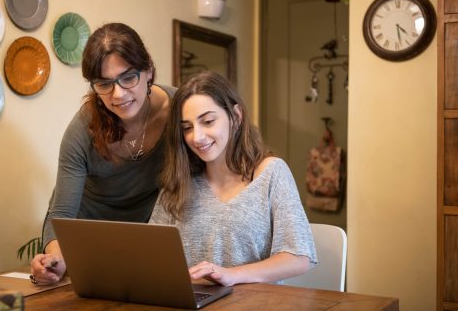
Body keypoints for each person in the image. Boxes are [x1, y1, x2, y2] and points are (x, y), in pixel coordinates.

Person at [30, 23, 176, 285]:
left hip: (148, 238)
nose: (118, 94)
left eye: (128, 77)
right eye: (104, 84)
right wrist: (53, 259)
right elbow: (62, 213)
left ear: (149, 71)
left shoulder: (180, 111)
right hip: (89, 240)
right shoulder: (81, 131)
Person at [150, 71, 317, 286]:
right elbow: (153, 253)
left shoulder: (271, 173)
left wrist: (231, 275)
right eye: (187, 128)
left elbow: (299, 257)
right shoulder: (179, 180)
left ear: (236, 117)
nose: (197, 137)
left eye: (208, 121)